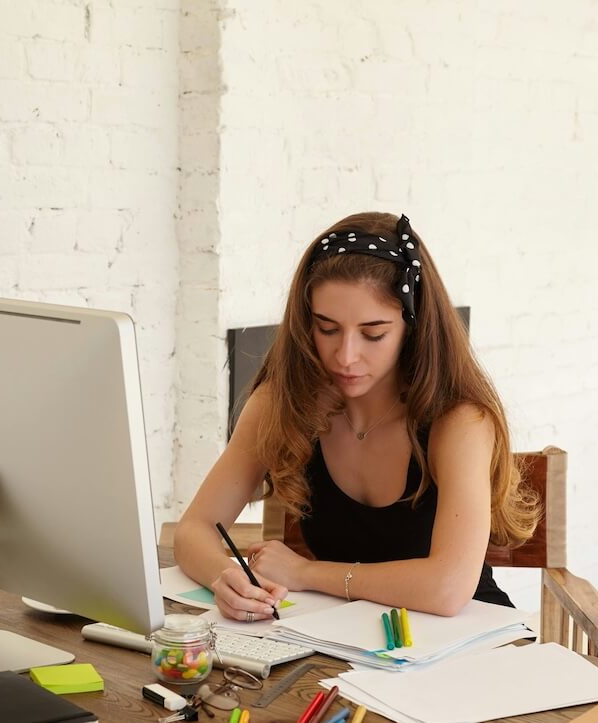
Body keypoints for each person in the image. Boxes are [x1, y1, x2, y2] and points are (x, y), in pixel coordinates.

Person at [174, 212, 539, 623]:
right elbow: (193, 531)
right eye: (327, 328)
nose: (345, 356)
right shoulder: (282, 403)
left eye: (374, 333)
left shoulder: (458, 420)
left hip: (468, 642)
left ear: (412, 326)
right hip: (353, 644)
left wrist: (306, 573)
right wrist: (227, 577)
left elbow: (449, 588)